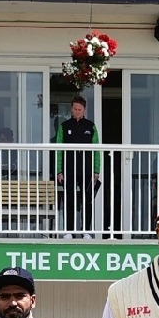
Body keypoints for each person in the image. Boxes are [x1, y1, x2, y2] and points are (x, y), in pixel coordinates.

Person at [55, 95, 100, 237]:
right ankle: (69, 231)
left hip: (87, 170)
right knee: (69, 200)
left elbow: (96, 149)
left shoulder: (90, 126)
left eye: (80, 109)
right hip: (69, 169)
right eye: (75, 109)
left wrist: (96, 170)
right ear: (71, 109)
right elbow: (58, 150)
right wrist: (59, 170)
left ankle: (86, 231)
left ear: (84, 110)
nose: (77, 111)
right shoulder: (64, 126)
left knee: (87, 201)